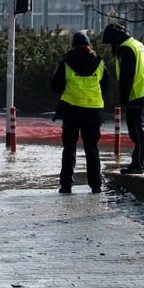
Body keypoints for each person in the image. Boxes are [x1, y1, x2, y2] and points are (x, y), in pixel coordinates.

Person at [50, 32, 109, 194]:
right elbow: (107, 86)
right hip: (93, 112)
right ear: (88, 44)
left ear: (73, 45)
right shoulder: (99, 62)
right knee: (92, 149)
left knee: (69, 148)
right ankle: (96, 185)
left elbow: (55, 86)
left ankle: (66, 185)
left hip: (71, 111)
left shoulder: (66, 62)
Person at [102, 23, 144, 175]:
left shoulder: (125, 49)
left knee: (137, 132)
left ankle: (138, 164)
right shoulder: (137, 44)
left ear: (116, 40)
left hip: (135, 94)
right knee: (141, 130)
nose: (111, 47)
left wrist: (124, 99)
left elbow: (126, 76)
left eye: (111, 43)